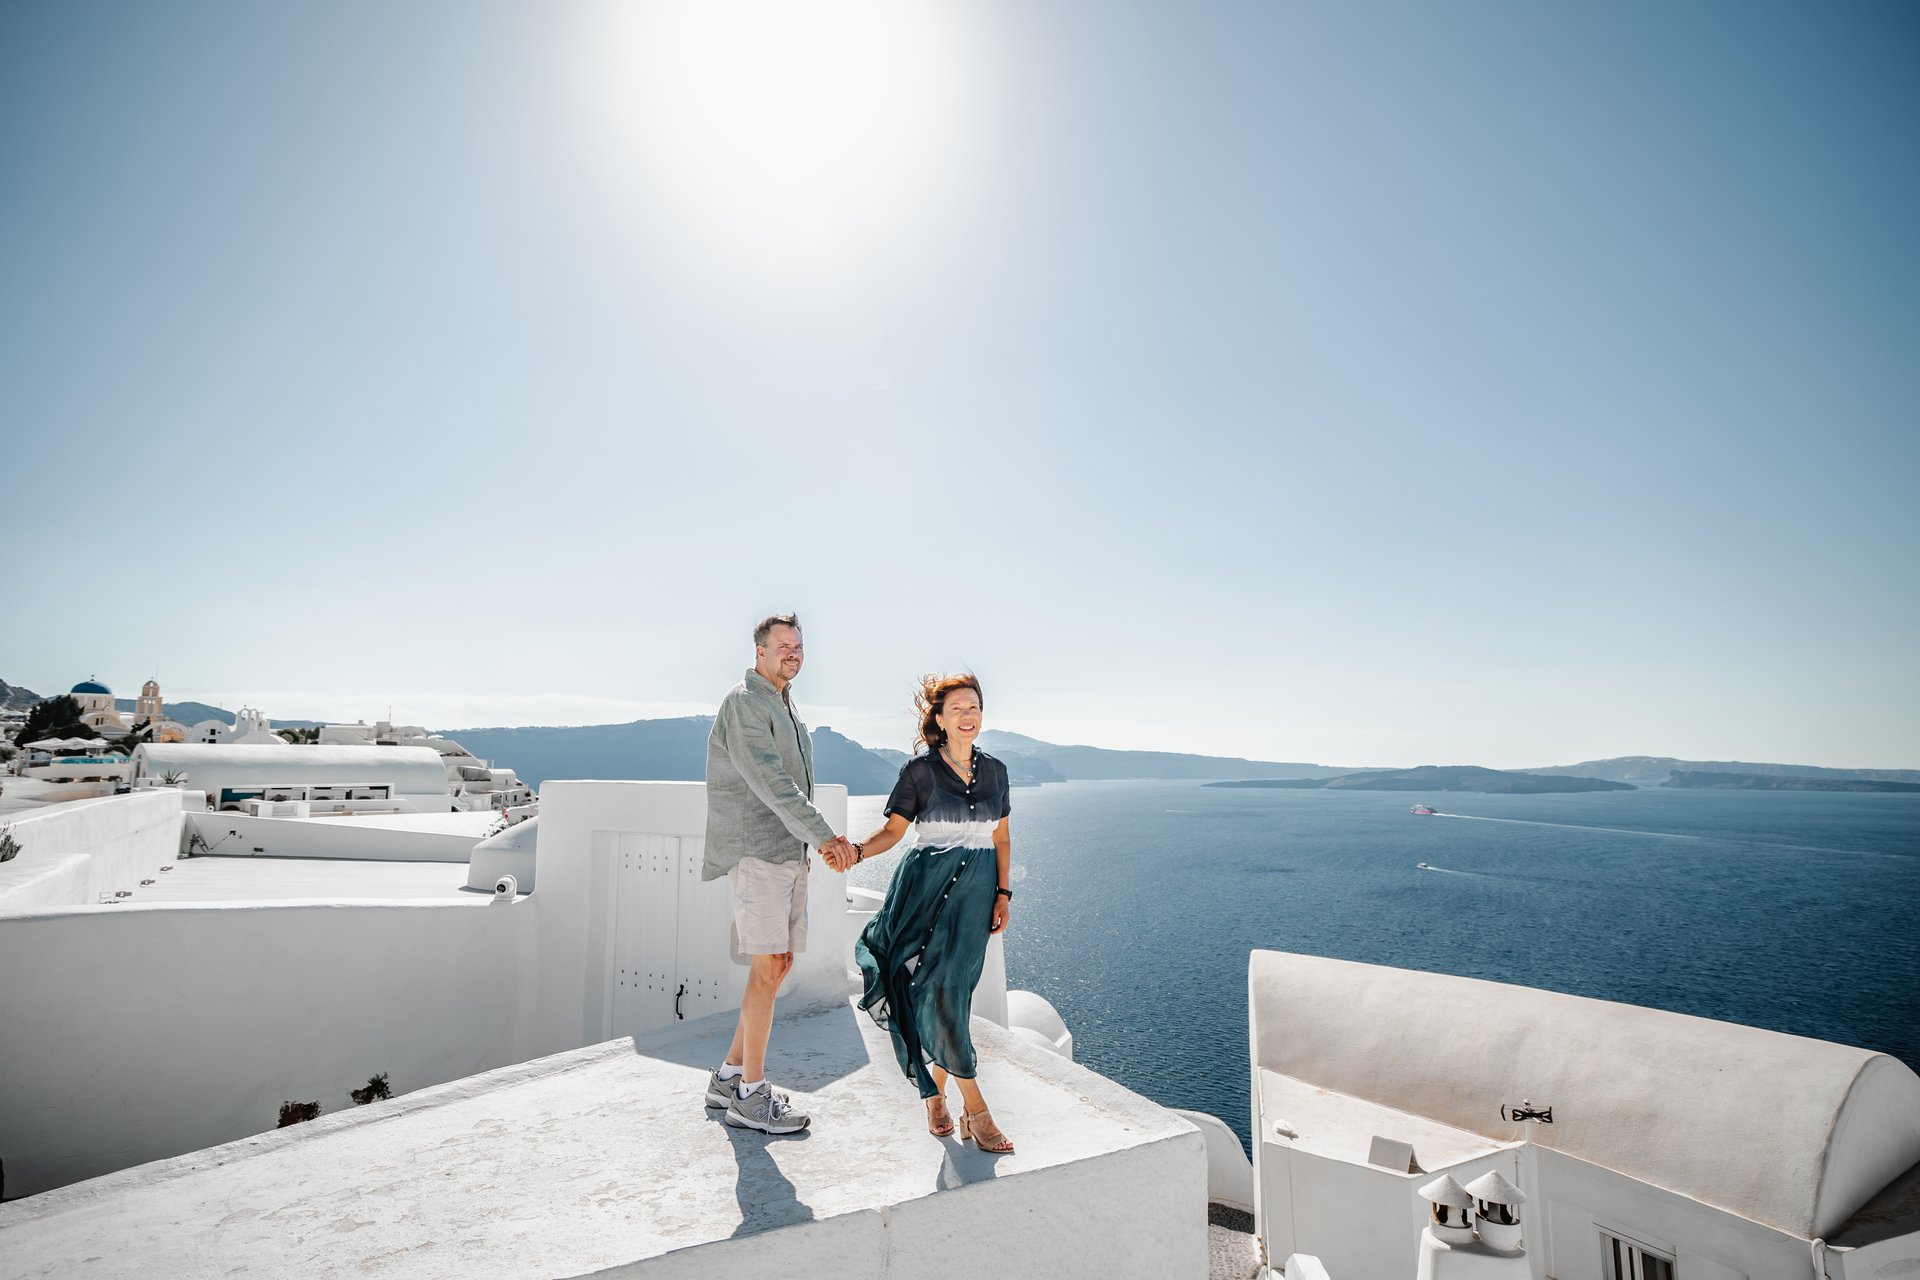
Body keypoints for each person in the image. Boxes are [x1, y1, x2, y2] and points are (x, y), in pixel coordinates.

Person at [830, 673, 1016, 1152]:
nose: (968, 716)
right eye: (957, 708)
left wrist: (1003, 893)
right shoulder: (919, 772)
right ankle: (976, 1110)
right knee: (927, 990)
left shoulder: (997, 772)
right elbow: (893, 832)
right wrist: (856, 851)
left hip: (974, 897)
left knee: (952, 992)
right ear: (939, 718)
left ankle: (934, 1095)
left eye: (974, 707)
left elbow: (1000, 836)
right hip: (922, 889)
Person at [701, 613, 855, 1134]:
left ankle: (728, 1078)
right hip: (759, 852)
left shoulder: (783, 704)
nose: (793, 653)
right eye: (783, 645)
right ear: (760, 652)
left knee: (778, 963)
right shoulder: (746, 703)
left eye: (799, 646)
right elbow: (771, 782)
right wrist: (826, 837)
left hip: (787, 851)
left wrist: (810, 841)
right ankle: (751, 1095)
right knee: (768, 966)